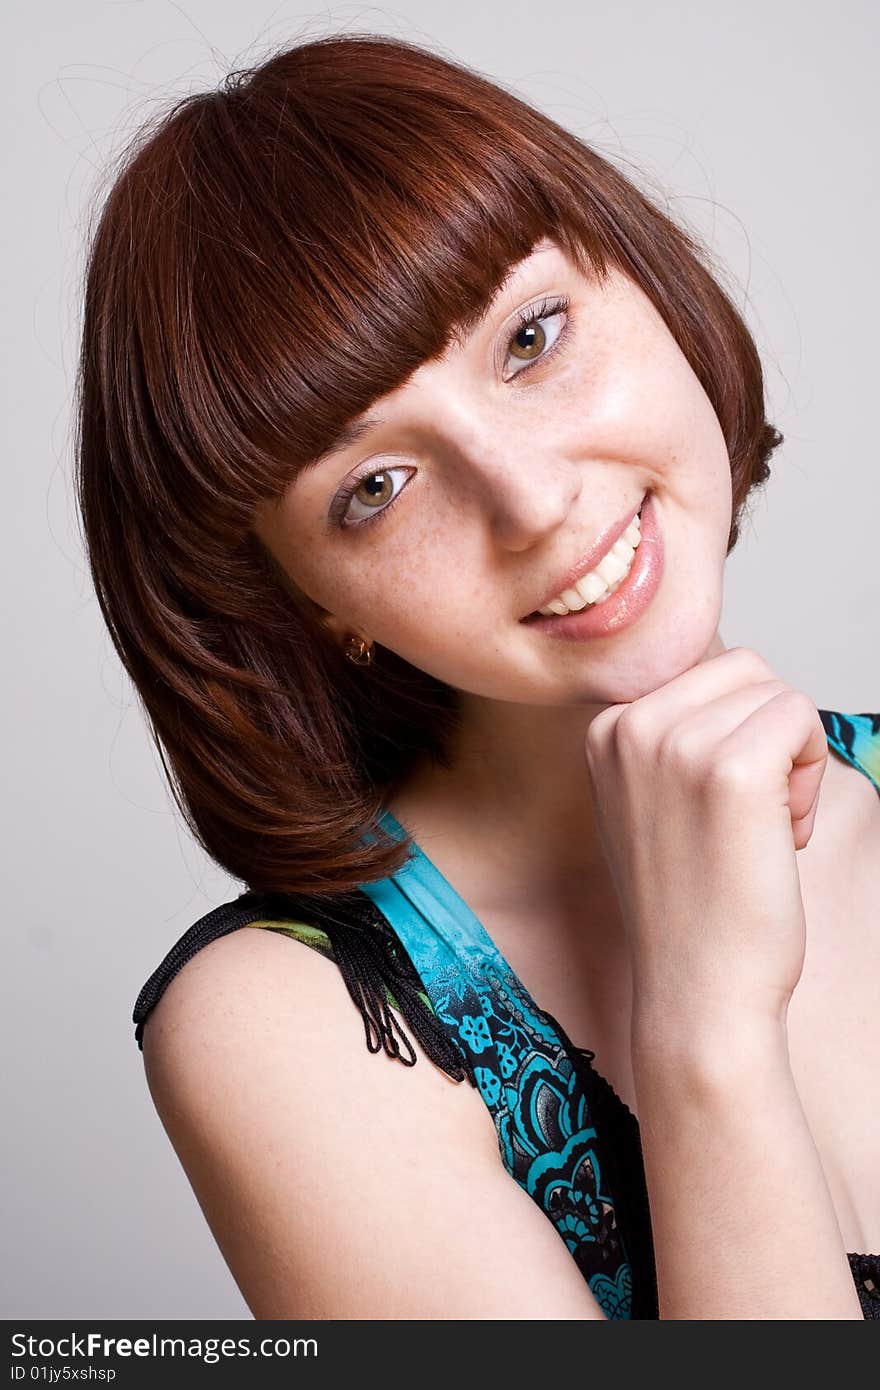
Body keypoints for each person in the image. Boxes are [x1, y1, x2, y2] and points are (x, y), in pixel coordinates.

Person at [75, 32, 880, 1320]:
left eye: (532, 337)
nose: (534, 501)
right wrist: (705, 1031)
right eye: (375, 489)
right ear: (306, 603)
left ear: (651, 286)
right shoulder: (296, 1029)